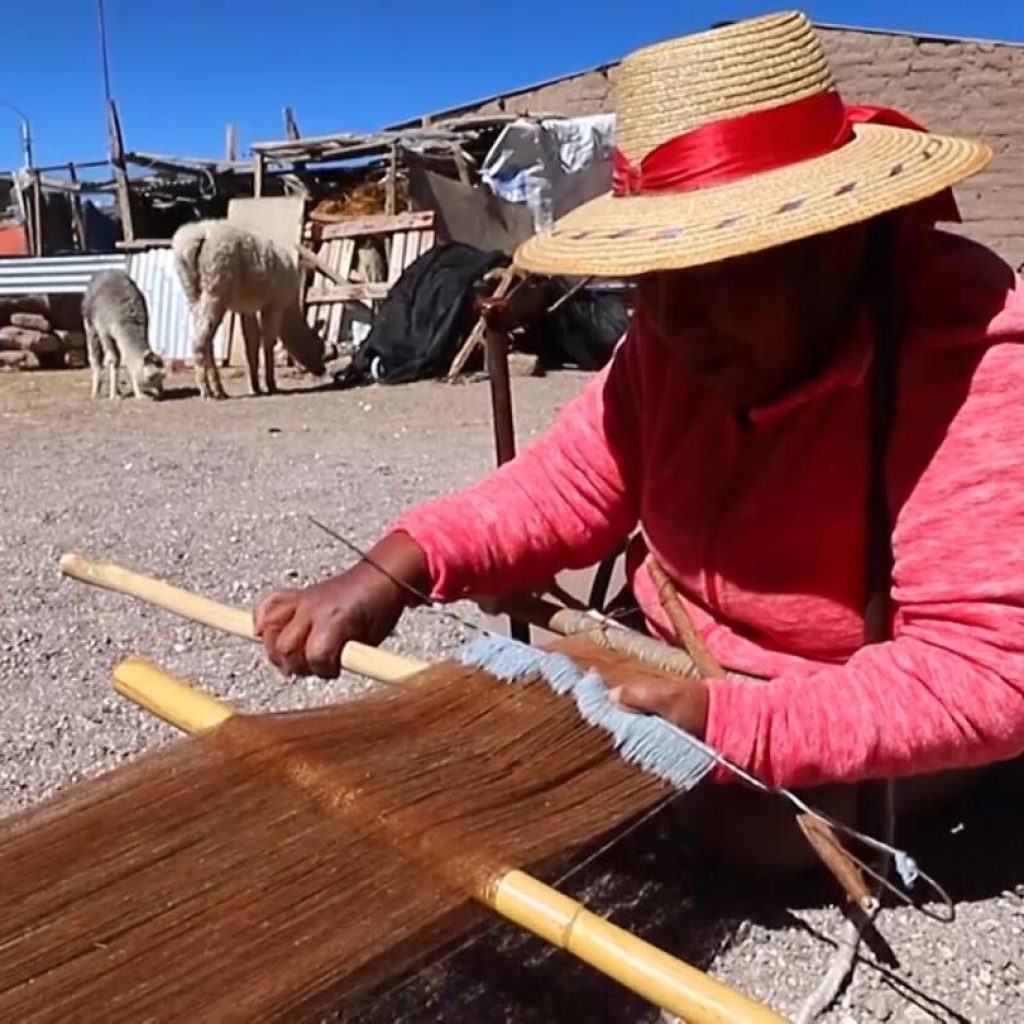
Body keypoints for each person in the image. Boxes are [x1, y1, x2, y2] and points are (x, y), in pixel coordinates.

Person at [255, 12, 1024, 820]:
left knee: (741, 833)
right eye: (648, 280)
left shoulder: (969, 354)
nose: (667, 320)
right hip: (681, 663)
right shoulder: (673, 337)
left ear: (832, 243)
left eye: (709, 272)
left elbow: (987, 667)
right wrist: (391, 569)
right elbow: (568, 485)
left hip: (841, 709)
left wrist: (736, 728)